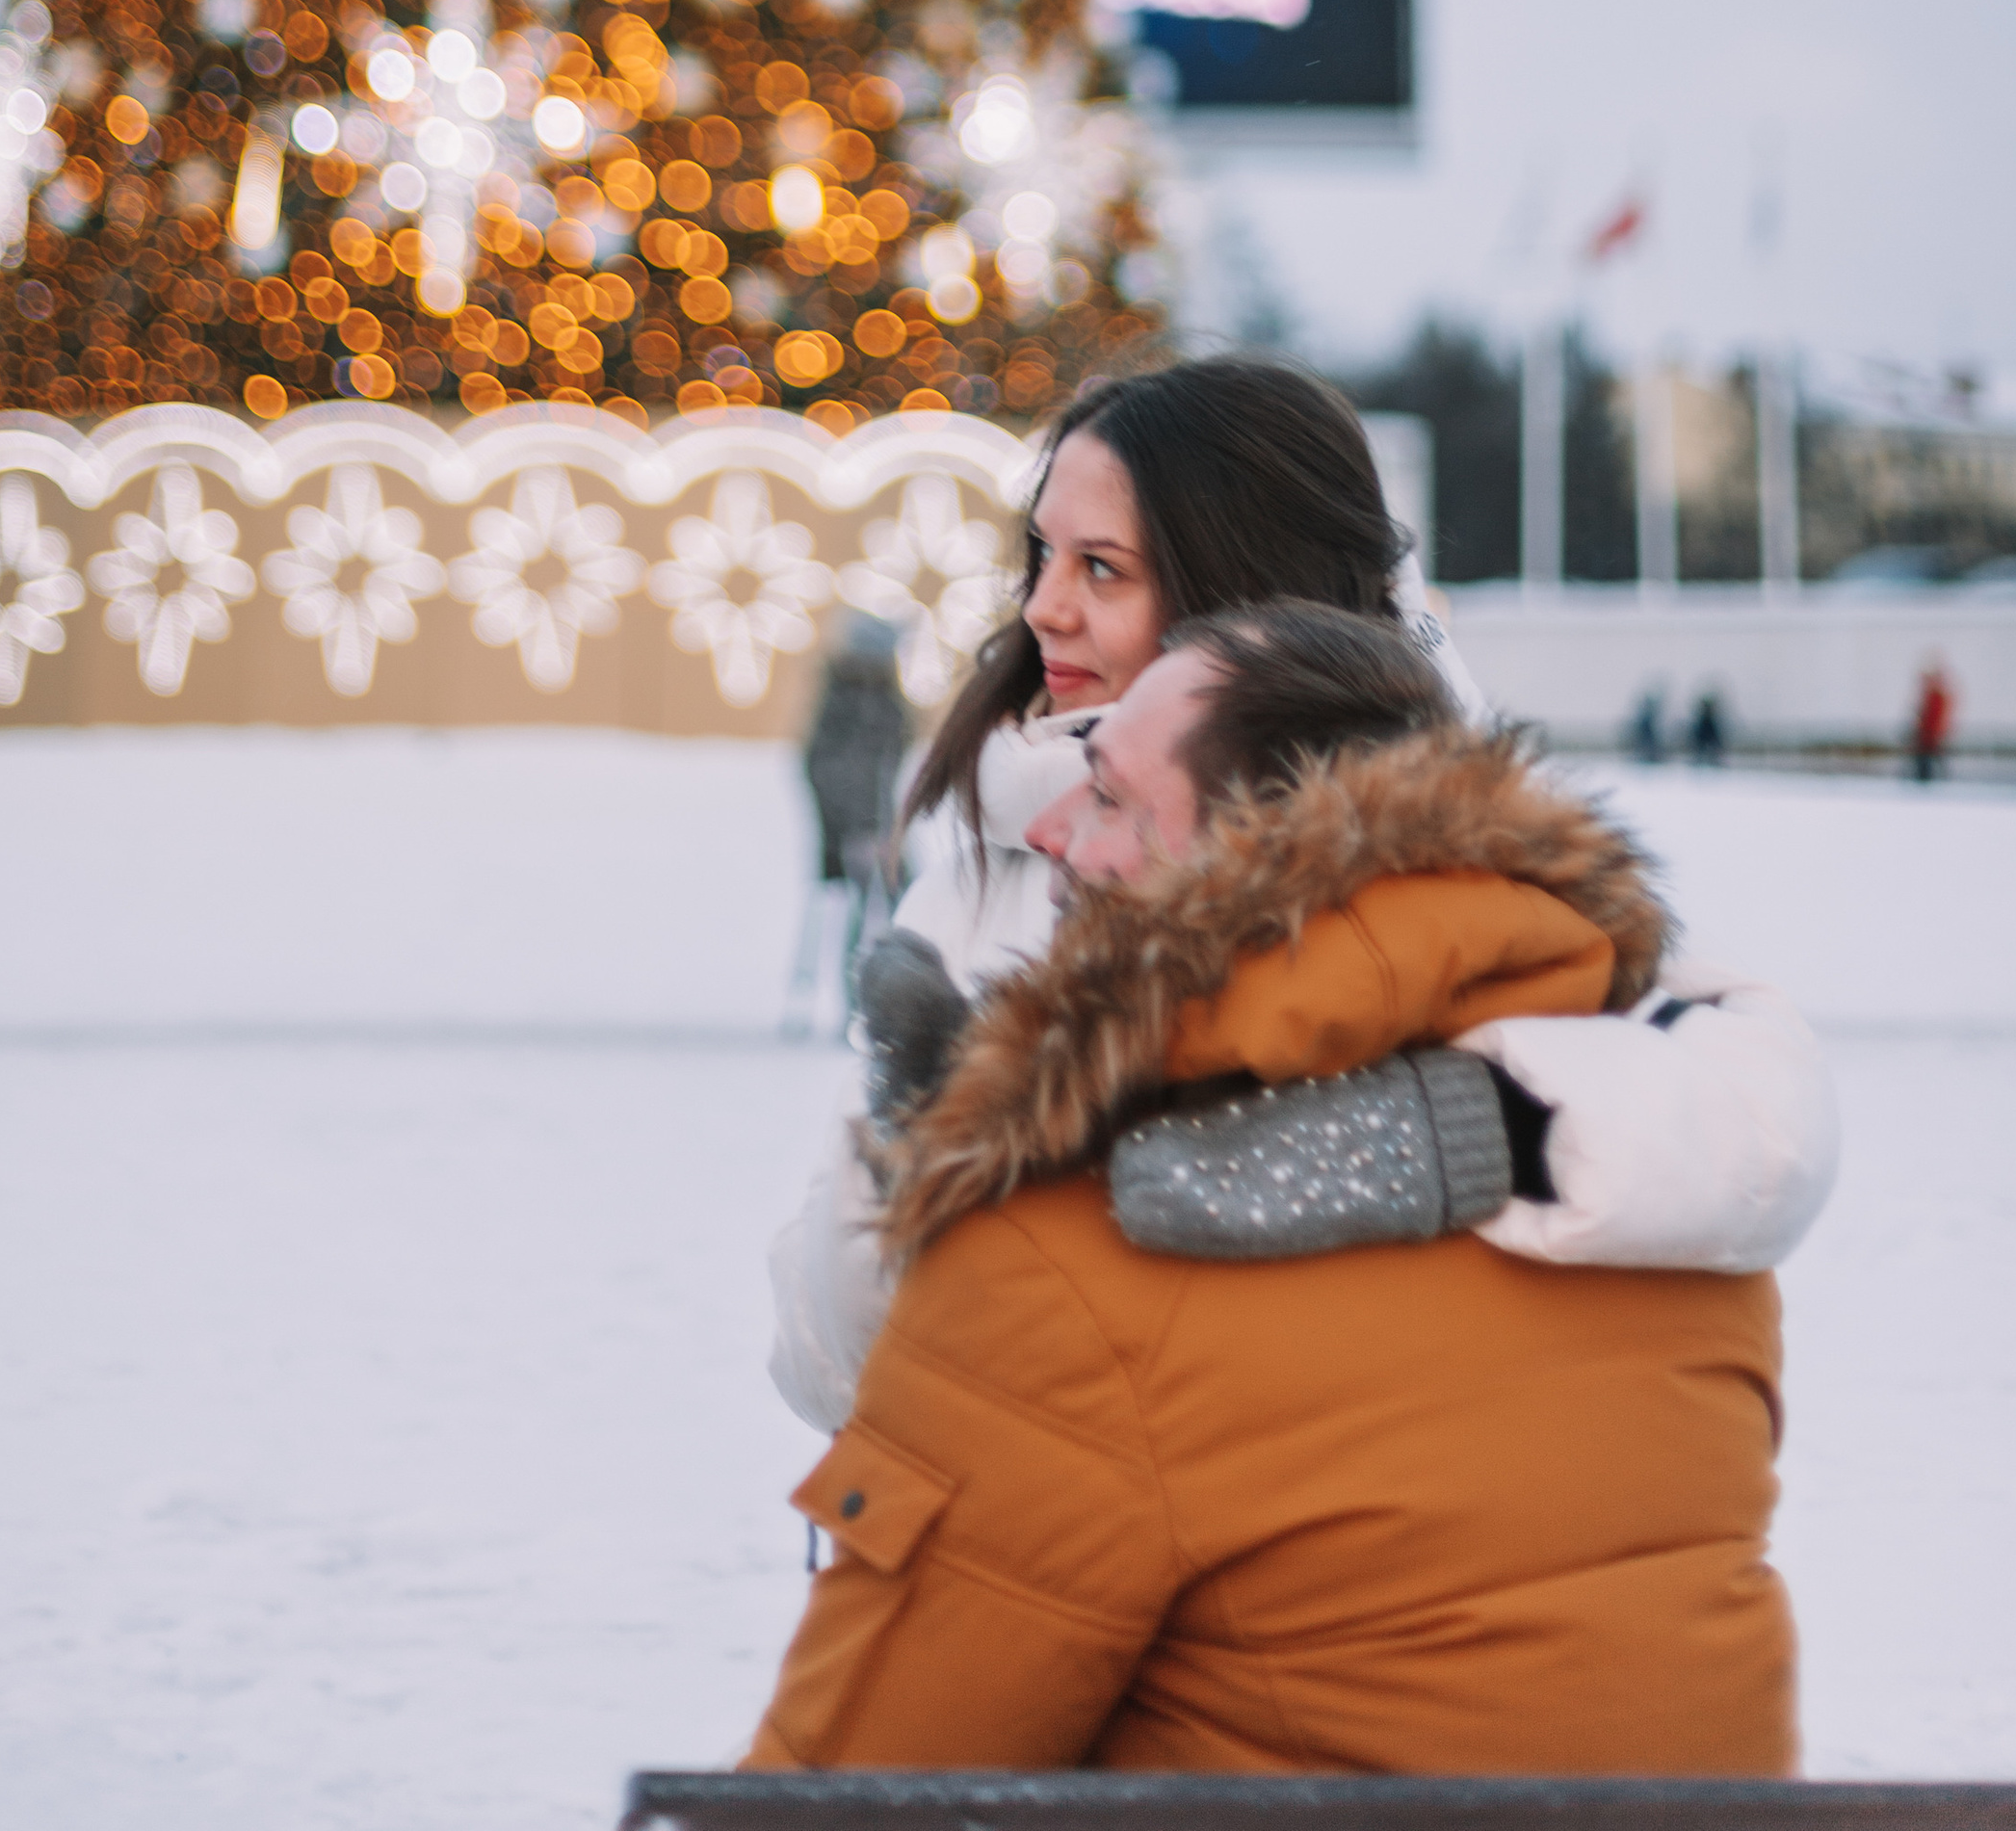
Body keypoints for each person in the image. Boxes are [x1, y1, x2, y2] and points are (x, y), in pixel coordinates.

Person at [746, 605, 1796, 1778]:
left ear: (1246, 866)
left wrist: (962, 1180)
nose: (1047, 830)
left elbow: (851, 1782)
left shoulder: (1078, 1267)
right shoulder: (1646, 1201)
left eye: (1108, 798)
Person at [767, 355, 1838, 1433]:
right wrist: (914, 1176)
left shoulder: (1441, 841)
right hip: (1033, 1505)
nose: (1043, 607)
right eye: (1042, 554)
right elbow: (823, 1370)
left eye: (1102, 569)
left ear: (1243, 588)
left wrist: (1476, 1131)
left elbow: (1757, 1131)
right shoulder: (982, 877)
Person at [785, 611, 913, 1028]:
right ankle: (860, 1005)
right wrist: (858, 830)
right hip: (861, 830)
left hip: (879, 826)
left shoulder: (870, 692)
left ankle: (894, 998)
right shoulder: (857, 697)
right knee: (872, 909)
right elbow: (835, 769)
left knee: (909, 900)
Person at [1908, 660, 1955, 784]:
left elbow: (1933, 721)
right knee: (1928, 767)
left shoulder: (1937, 698)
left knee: (1928, 767)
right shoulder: (1933, 697)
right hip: (1928, 739)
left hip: (1929, 740)